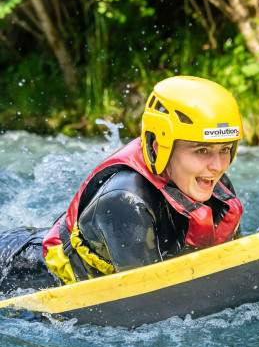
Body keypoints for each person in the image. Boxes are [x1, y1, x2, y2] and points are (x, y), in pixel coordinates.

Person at [0, 76, 243, 294]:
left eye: (224, 150)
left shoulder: (215, 185)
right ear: (160, 147)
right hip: (19, 270)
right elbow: (151, 304)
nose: (217, 166)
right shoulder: (126, 201)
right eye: (202, 151)